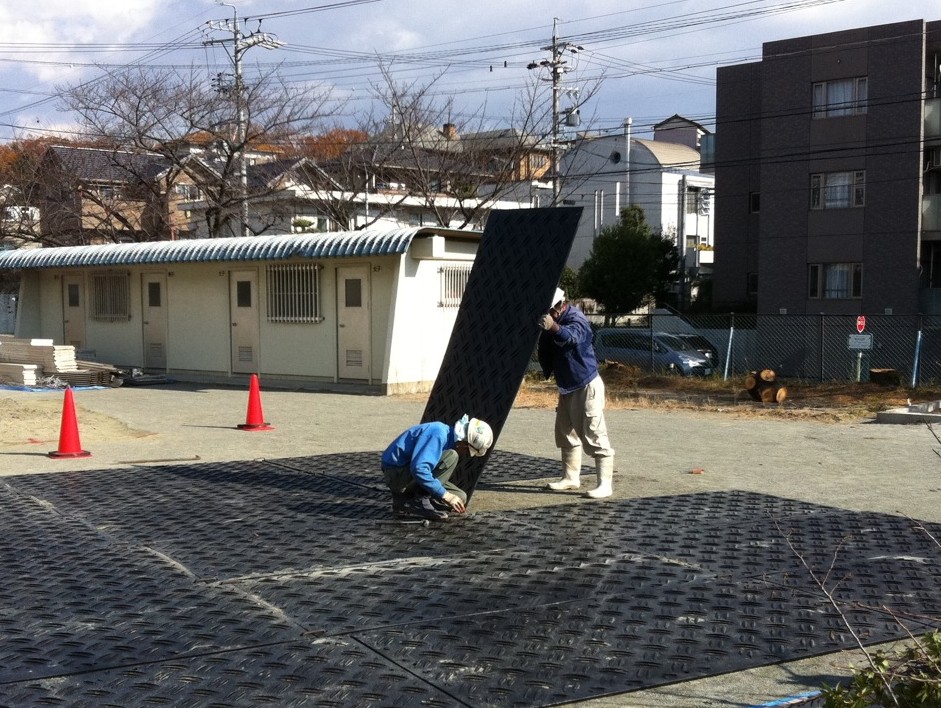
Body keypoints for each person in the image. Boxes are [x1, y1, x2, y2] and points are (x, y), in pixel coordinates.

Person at [537, 288, 616, 498]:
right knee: (566, 432)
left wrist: (553, 327)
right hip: (567, 386)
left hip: (586, 385)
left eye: (548, 311)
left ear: (558, 306)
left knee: (594, 433)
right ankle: (570, 478)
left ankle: (605, 484)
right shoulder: (554, 318)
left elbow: (572, 337)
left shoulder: (576, 318)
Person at [381, 414, 494, 521]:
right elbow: (419, 469)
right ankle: (418, 500)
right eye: (468, 451)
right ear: (464, 443)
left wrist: (449, 496)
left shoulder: (448, 438)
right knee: (451, 456)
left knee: (460, 497)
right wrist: (445, 495)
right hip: (396, 475)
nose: (466, 454)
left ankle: (408, 500)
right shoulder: (438, 433)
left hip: (407, 474)